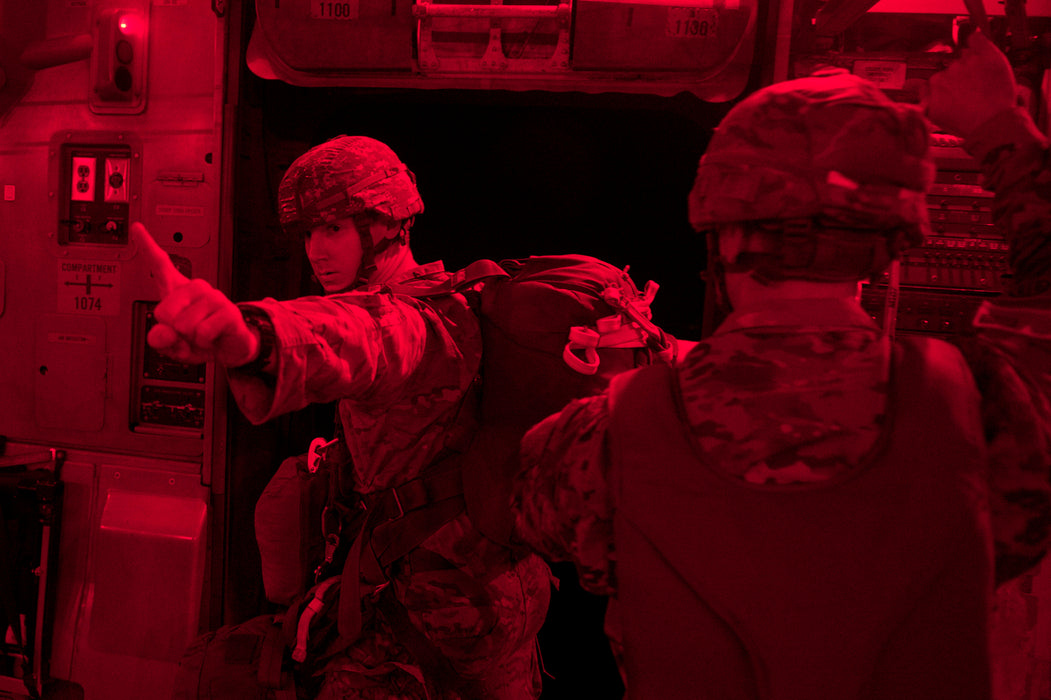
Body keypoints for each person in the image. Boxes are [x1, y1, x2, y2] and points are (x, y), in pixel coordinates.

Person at [511, 31, 1051, 699]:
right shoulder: (985, 409)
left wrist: (622, 383)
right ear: (889, 245)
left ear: (724, 232)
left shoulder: (602, 435)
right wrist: (997, 124)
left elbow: (538, 516)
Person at [137, 135, 551, 699]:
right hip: (496, 607)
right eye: (308, 233)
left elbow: (357, 335)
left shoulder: (416, 322)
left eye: (332, 228)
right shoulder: (456, 298)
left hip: (424, 628)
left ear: (384, 226)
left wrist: (252, 336)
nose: (315, 251)